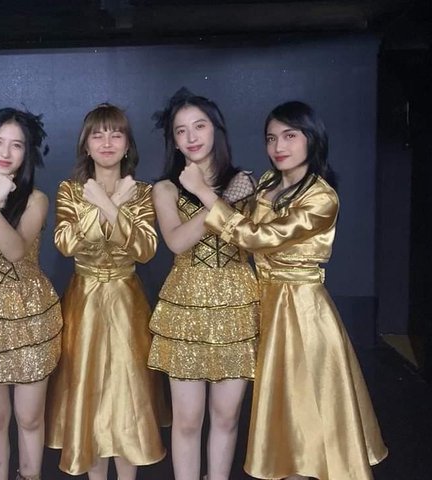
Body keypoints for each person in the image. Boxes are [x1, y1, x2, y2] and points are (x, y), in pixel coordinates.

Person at [181, 100, 388, 479]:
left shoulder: (321, 197)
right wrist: (226, 196)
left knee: (308, 407)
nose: (279, 146)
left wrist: (207, 195)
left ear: (312, 138)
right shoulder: (267, 184)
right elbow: (238, 235)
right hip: (267, 304)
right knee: (284, 410)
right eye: (271, 138)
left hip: (302, 311)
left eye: (290, 136)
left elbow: (259, 238)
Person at [45, 103, 166, 480]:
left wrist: (110, 207)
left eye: (116, 134)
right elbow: (65, 243)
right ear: (86, 145)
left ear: (128, 144)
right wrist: (103, 205)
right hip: (83, 302)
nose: (107, 142)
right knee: (90, 401)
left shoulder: (142, 192)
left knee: (128, 399)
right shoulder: (70, 190)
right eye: (97, 135)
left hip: (128, 301)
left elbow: (146, 250)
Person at [147, 88, 260, 480]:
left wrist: (207, 193)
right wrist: (213, 196)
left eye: (200, 126)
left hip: (237, 304)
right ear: (174, 140)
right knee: (188, 419)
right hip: (186, 306)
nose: (191, 136)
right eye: (181, 131)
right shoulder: (164, 188)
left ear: (216, 130)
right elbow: (177, 242)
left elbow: (250, 240)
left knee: (227, 417)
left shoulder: (246, 182)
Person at [0, 108, 62, 480]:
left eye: (16, 145)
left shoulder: (36, 199)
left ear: (27, 152)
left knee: (30, 418)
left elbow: (15, 250)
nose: (5, 152)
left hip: (30, 315)